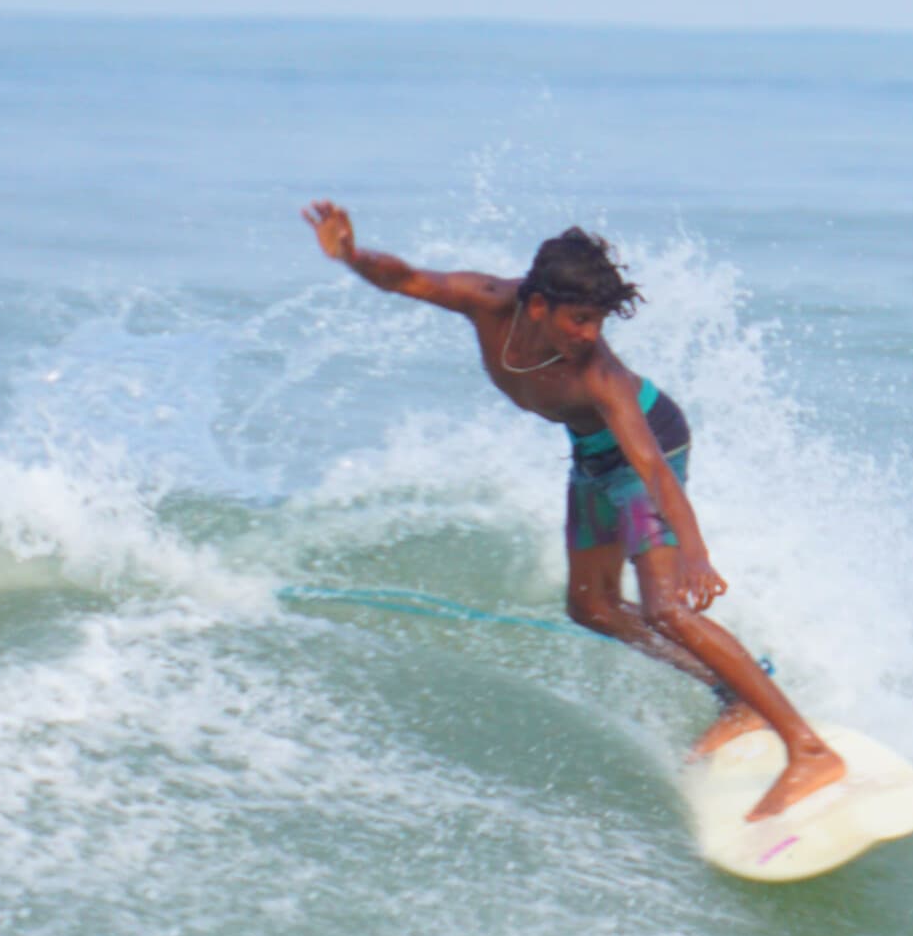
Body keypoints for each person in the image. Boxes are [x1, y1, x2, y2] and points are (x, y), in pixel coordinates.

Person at [302, 205, 844, 822]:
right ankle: (733, 695)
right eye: (581, 319)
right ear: (537, 307)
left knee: (666, 605)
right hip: (589, 457)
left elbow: (653, 470)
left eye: (599, 320)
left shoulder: (601, 376)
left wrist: (693, 549)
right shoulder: (485, 301)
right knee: (590, 606)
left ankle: (807, 750)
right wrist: (351, 255)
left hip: (648, 448)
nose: (591, 333)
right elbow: (406, 278)